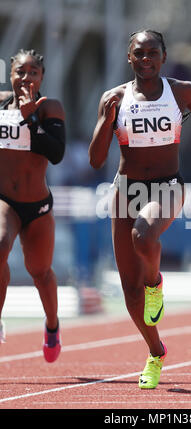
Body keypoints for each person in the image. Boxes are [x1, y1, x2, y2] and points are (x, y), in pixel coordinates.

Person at [89, 30, 191, 389]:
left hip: (168, 185)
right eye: (139, 53)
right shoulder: (114, 98)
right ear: (129, 58)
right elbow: (97, 161)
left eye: (152, 53)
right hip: (125, 189)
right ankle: (156, 351)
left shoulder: (182, 92)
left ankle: (155, 283)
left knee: (143, 235)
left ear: (164, 56)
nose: (146, 59)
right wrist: (105, 121)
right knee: (130, 292)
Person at [0, 49, 66, 363]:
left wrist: (30, 119)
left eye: (33, 72)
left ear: (42, 77)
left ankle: (52, 326)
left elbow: (55, 153)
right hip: (4, 202)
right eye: (20, 72)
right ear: (10, 74)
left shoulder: (48, 107)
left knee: (40, 271)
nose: (27, 78)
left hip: (37, 206)